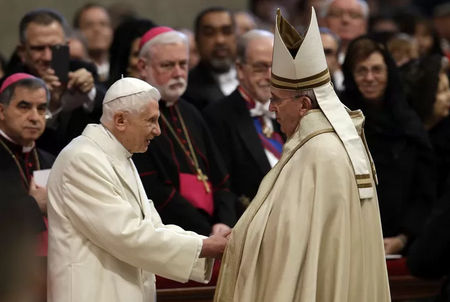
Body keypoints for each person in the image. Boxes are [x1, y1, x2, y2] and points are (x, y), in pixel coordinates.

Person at [214, 8, 390, 302]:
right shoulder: (337, 142)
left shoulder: (316, 153)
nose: (272, 109)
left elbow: (286, 242)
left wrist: (242, 235)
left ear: (304, 104)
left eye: (276, 100)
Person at [47, 77, 229, 302]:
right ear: (121, 120)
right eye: (151, 121)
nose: (158, 131)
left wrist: (207, 242)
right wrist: (204, 246)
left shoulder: (121, 156)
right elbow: (126, 234)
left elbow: (152, 226)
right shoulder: (82, 159)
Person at [133, 26, 237, 236]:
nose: (179, 73)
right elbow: (154, 191)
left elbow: (221, 178)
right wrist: (205, 232)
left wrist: (224, 222)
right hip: (171, 235)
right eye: (168, 65)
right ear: (143, 67)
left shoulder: (191, 112)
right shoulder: (134, 115)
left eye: (183, 64)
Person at [340, 36, 436, 255]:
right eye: (361, 71)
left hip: (399, 241)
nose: (370, 78)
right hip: (348, 241)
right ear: (351, 76)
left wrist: (403, 237)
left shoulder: (408, 122)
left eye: (377, 69)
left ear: (389, 72)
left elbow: (424, 187)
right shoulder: (338, 119)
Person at [203, 29, 284, 215]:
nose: (270, 76)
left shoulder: (290, 109)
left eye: (276, 67)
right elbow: (223, 188)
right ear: (240, 70)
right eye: (260, 68)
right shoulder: (216, 117)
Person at [4, 8, 105, 156]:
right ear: (22, 50)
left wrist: (89, 91)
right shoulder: (10, 84)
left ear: (67, 46)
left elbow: (110, 111)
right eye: (38, 48)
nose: (47, 57)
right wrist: (48, 103)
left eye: (55, 48)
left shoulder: (85, 69)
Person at [0, 73, 55, 302]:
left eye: (42, 109)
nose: (35, 117)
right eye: (24, 107)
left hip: (50, 274)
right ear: (1, 111)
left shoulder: (52, 160)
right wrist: (34, 205)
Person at [401, 54, 450, 197]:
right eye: (441, 91)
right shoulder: (407, 140)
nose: (448, 96)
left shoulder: (444, 134)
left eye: (448, 89)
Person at [183, 7, 238, 110]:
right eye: (209, 33)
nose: (220, 40)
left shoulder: (252, 79)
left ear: (236, 36)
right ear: (197, 40)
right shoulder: (186, 89)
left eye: (226, 31)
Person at [108, 18, 156, 86]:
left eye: (150, 55)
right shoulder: (104, 94)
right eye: (137, 55)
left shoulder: (171, 94)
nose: (143, 63)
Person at [73, 3, 113, 83]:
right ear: (77, 32)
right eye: (89, 25)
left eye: (103, 24)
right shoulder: (72, 71)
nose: (97, 30)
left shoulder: (122, 69)